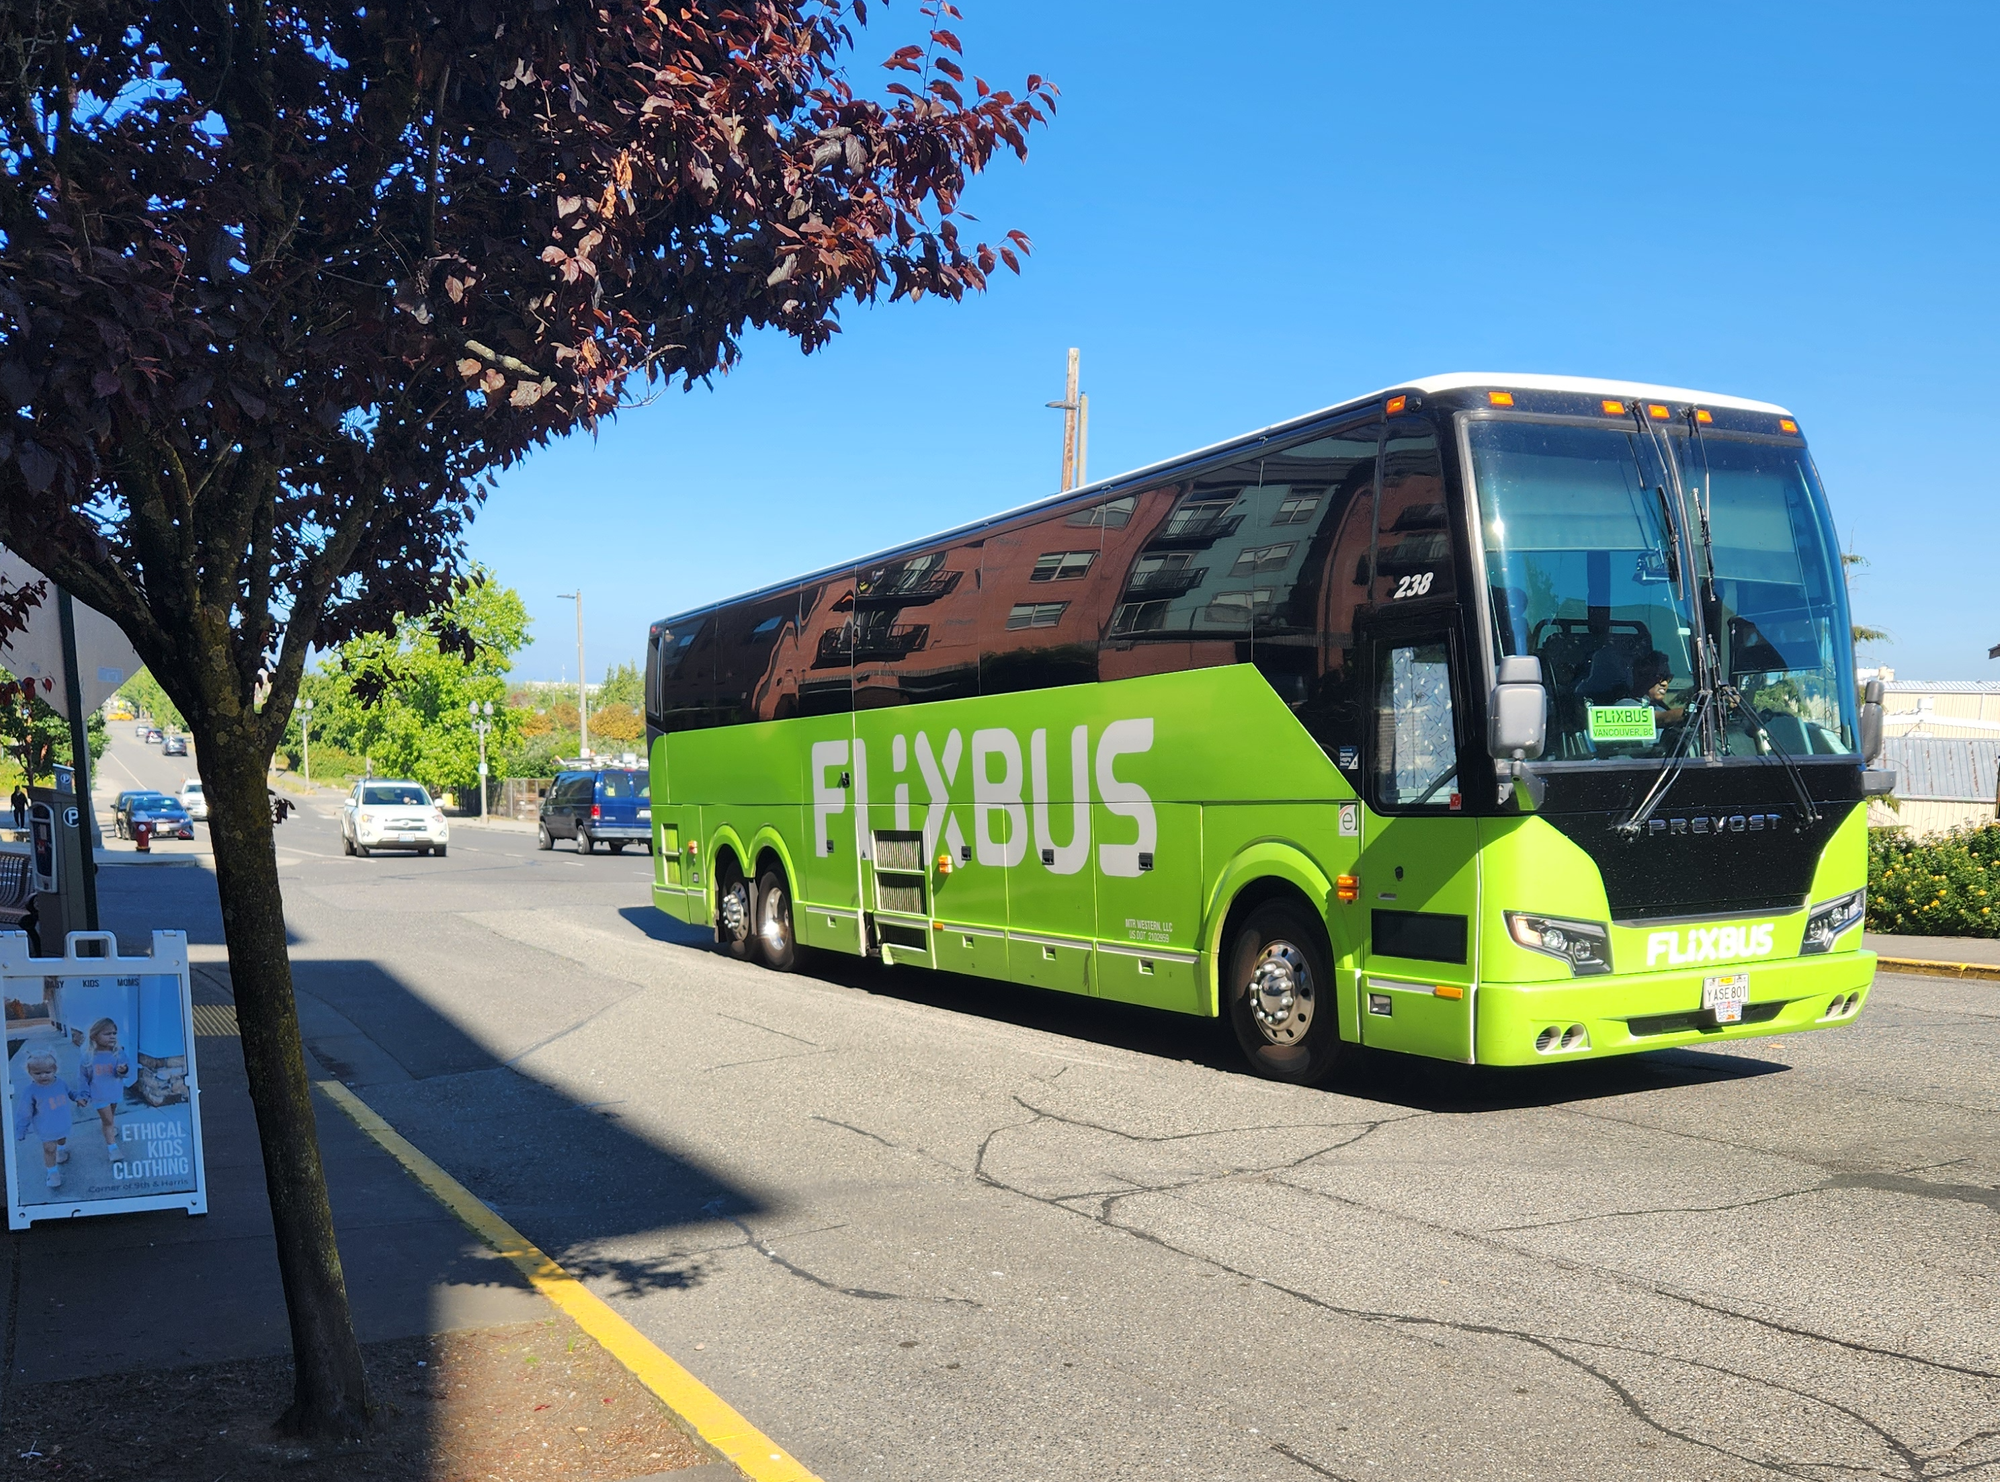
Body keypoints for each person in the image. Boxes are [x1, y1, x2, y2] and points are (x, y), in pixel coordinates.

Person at [15, 1049, 79, 1190]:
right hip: (46, 1127)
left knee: (62, 1139)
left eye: (47, 1072)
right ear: (30, 1072)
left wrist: (78, 1097)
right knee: (49, 1149)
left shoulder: (60, 1082)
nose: (43, 1076)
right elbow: (24, 1112)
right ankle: (53, 1173)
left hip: (63, 1123)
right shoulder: (30, 1091)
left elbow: (70, 1093)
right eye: (37, 1073)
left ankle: (61, 1150)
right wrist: (21, 1129)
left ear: (54, 1069)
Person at [75, 1017, 129, 1163]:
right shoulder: (88, 1057)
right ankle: (113, 1149)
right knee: (108, 1121)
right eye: (107, 1033)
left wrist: (122, 1070)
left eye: (114, 1033)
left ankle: (109, 1128)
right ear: (95, 1036)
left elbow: (126, 1073)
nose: (112, 1036)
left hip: (115, 1093)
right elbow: (83, 1079)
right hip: (99, 1095)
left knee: (111, 1116)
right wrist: (83, 1095)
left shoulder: (118, 1053)